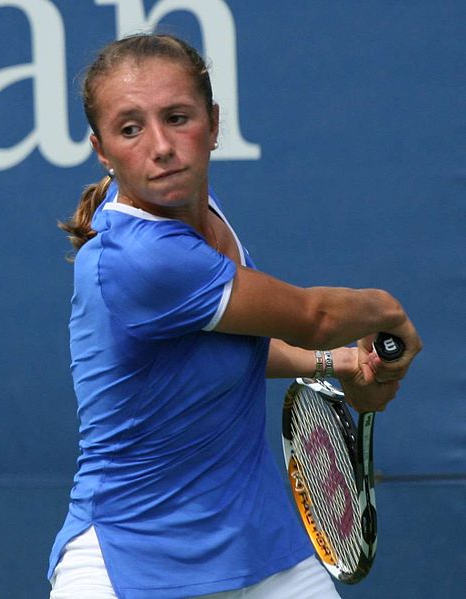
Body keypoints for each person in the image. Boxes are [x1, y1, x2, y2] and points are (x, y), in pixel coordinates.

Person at [48, 33, 421, 599]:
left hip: (260, 548)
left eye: (177, 118)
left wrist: (335, 361)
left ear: (214, 124)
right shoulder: (139, 258)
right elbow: (313, 316)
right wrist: (387, 311)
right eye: (131, 129)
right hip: (130, 561)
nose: (162, 146)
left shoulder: (193, 207)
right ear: (102, 150)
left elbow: (229, 342)